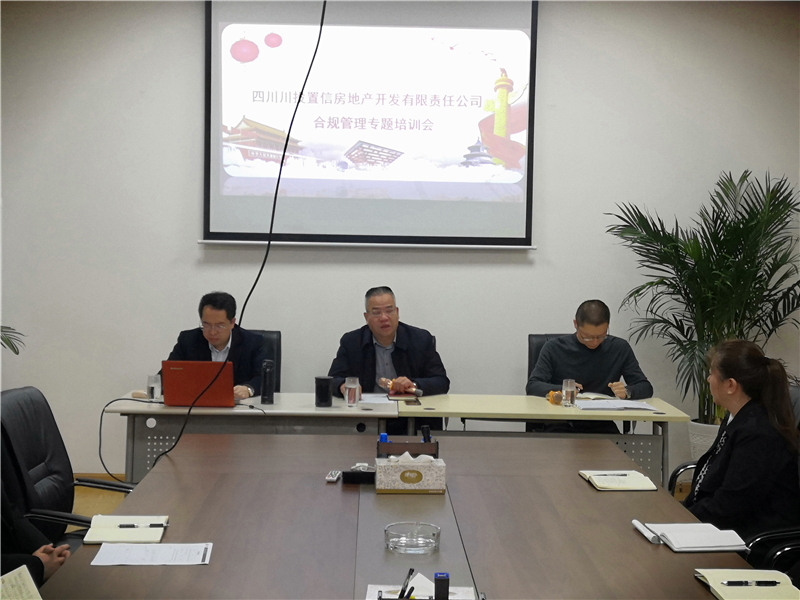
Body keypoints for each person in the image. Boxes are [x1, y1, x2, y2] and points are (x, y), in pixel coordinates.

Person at [683, 340, 800, 539]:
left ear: (730, 385)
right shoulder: (737, 419)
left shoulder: (758, 433)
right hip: (728, 527)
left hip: (754, 540)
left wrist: (683, 520)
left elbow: (730, 505)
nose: (708, 380)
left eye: (711, 374)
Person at [328, 286, 449, 434]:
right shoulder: (352, 342)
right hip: (367, 418)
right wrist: (343, 385)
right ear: (366, 317)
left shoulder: (421, 339)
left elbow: (441, 381)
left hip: (411, 418)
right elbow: (332, 380)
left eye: (389, 311)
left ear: (397, 313)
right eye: (376, 312)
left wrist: (413, 384)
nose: (384, 317)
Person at [525, 299, 653, 433]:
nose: (594, 342)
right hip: (561, 422)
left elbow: (645, 386)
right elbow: (533, 386)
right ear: (576, 324)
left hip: (601, 423)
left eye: (601, 336)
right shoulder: (554, 347)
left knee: (613, 444)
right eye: (587, 337)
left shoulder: (619, 348)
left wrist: (627, 392)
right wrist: (563, 391)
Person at [166, 292, 266, 400]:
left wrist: (248, 389)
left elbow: (264, 378)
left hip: (239, 407)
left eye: (220, 326)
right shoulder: (188, 340)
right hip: (197, 406)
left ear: (232, 322)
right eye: (206, 325)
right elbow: (167, 375)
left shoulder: (252, 342)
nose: (212, 332)